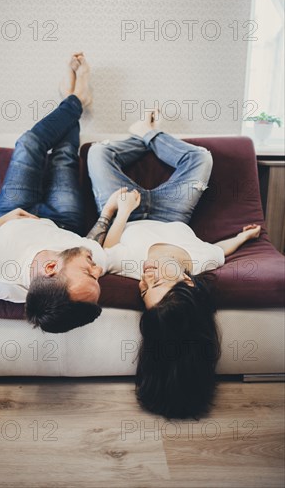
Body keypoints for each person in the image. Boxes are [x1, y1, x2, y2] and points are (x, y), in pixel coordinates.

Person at [87, 110, 261, 420]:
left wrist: (123, 212)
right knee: (202, 159)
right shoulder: (200, 261)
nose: (145, 279)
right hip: (173, 211)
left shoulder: (131, 266)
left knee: (97, 152)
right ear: (189, 281)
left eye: (143, 290)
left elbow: (107, 247)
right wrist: (242, 237)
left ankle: (144, 134)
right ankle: (150, 134)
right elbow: (219, 250)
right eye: (158, 283)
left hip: (128, 209)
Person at [0, 53, 121, 333]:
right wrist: (110, 213)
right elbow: (95, 246)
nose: (98, 271)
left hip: (14, 216)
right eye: (96, 278)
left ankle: (75, 98)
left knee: (29, 144)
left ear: (51, 267)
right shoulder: (91, 262)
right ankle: (76, 96)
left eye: (89, 273)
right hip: (63, 223)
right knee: (64, 156)